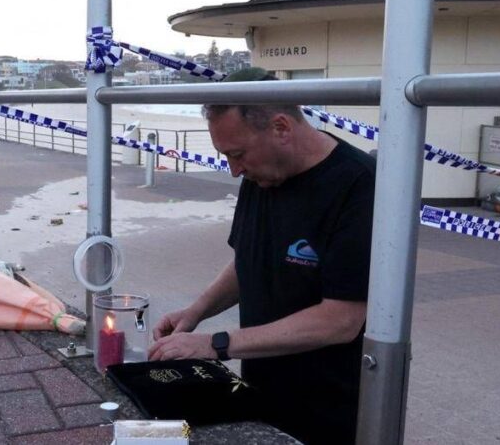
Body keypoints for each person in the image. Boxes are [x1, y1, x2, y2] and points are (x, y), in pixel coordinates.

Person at [148, 67, 376, 445]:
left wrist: (215, 344)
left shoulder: (359, 185)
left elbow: (341, 320)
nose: (235, 170)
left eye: (237, 154)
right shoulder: (265, 172)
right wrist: (197, 312)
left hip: (329, 407)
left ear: (281, 128)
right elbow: (249, 260)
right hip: (261, 387)